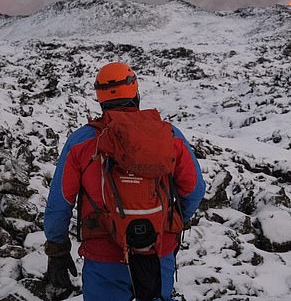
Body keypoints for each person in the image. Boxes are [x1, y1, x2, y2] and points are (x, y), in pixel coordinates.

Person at [43, 62, 206, 300]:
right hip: (157, 250)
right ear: (135, 92)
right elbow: (194, 190)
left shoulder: (81, 142)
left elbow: (60, 202)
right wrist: (168, 224)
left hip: (103, 255)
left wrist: (57, 248)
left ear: (100, 97)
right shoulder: (169, 135)